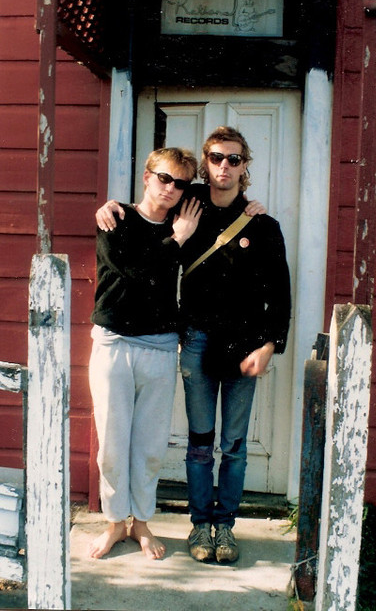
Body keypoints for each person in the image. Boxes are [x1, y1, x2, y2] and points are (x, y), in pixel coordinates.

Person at [96, 126, 291, 565]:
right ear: (206, 164)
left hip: (245, 344)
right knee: (200, 442)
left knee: (235, 445)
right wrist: (111, 207)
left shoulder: (262, 225)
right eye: (217, 158)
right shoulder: (187, 209)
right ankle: (201, 523)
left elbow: (279, 291)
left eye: (235, 159)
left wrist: (271, 344)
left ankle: (226, 526)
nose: (225, 166)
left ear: (245, 166)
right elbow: (144, 227)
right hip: (197, 339)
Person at [89, 146, 201, 560]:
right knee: (113, 443)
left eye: (181, 183)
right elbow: (135, 271)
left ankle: (141, 523)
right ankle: (115, 522)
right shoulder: (115, 218)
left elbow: (228, 203)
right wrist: (177, 240)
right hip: (114, 342)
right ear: (147, 176)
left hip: (158, 343)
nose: (171, 188)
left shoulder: (186, 219)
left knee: (151, 444)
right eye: (164, 178)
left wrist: (252, 205)